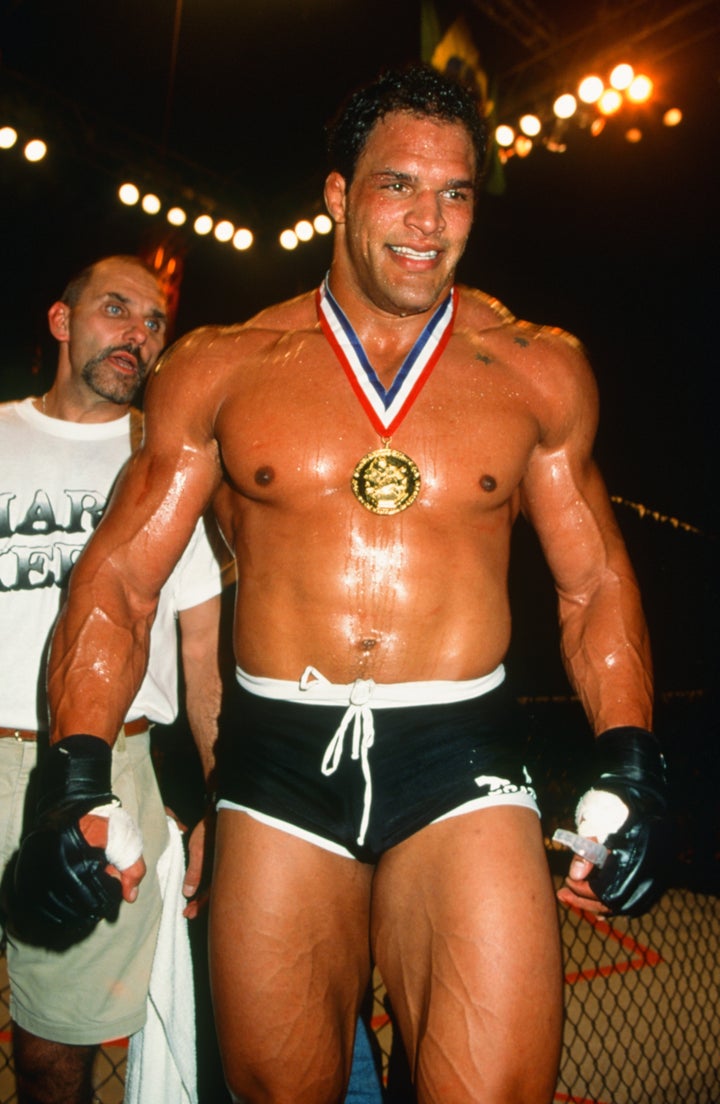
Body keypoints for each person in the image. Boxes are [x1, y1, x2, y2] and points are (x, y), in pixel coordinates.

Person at [38, 65, 669, 1104]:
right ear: (337, 195)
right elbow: (119, 580)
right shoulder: (223, 366)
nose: (430, 222)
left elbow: (593, 578)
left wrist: (633, 755)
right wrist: (73, 772)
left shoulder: (535, 367)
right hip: (277, 763)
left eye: (457, 193)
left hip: (460, 752)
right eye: (399, 187)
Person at [0, 255, 227, 1104]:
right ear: (63, 322)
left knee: (55, 1051)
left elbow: (203, 657)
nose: (138, 332)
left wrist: (218, 803)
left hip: (107, 778)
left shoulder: (173, 466)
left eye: (155, 321)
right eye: (116, 309)